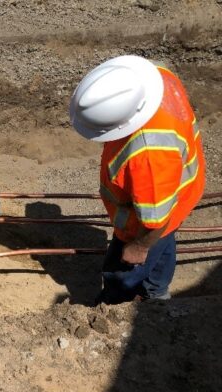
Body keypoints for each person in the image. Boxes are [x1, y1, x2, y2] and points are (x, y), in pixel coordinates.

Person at [70, 55, 205, 304]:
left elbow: (154, 224)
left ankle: (113, 307)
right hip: (176, 197)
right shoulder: (156, 77)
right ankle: (157, 294)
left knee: (122, 274)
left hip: (150, 217)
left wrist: (139, 247)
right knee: (165, 239)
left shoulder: (148, 155)